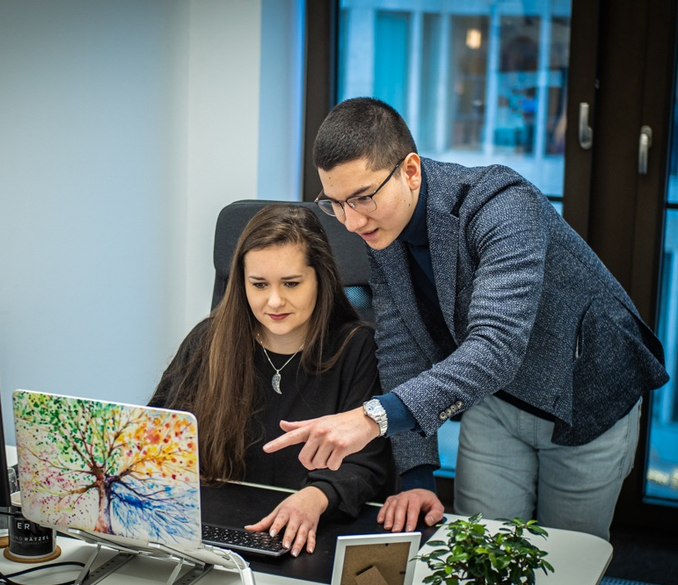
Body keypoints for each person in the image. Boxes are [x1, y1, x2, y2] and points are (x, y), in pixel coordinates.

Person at [264, 97, 669, 541]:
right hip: (495, 402)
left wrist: (372, 417)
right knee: (483, 552)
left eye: (362, 198)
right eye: (335, 204)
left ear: (411, 171)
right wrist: (416, 474)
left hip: (587, 396)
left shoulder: (501, 204)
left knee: (563, 565)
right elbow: (403, 344)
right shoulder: (379, 227)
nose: (351, 221)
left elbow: (496, 345)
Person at [149, 203, 396, 557]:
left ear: (320, 279)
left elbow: (369, 462)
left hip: (312, 540)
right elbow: (154, 435)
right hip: (211, 541)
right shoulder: (208, 340)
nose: (274, 300)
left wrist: (315, 498)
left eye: (292, 283)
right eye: (259, 284)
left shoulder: (358, 348)